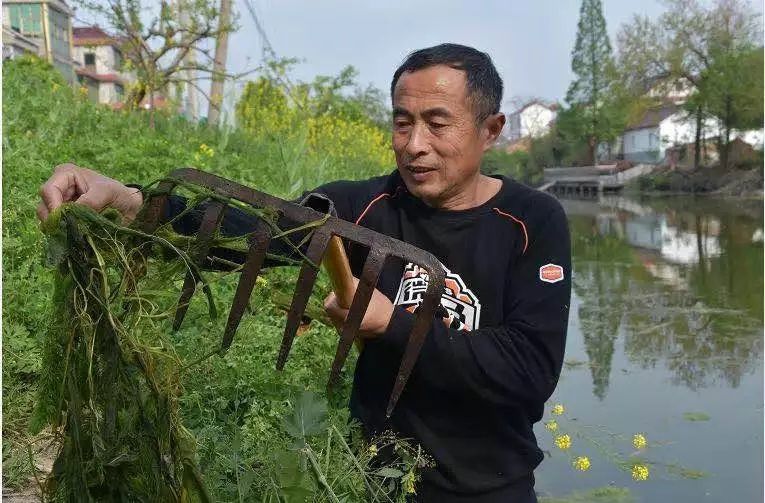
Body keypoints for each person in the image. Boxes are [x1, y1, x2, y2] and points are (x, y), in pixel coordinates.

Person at [37, 43, 571, 502]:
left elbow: (530, 370)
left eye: (437, 123)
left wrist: (395, 324)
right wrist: (131, 202)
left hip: (491, 487)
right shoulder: (361, 207)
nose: (414, 145)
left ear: (491, 129)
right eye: (402, 122)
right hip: (371, 477)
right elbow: (246, 234)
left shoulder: (531, 222)